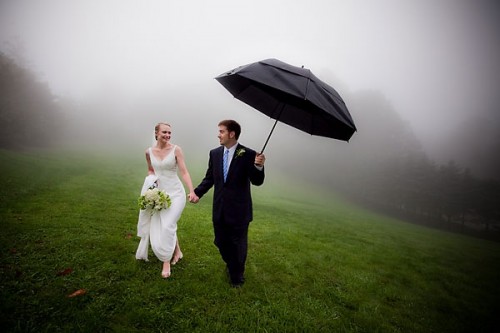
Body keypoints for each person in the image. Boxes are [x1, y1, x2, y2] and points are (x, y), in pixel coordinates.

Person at [190, 119, 265, 287]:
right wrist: (197, 193)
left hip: (240, 211)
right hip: (220, 209)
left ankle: (237, 278)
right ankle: (232, 264)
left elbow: (257, 181)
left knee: (238, 245)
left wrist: (259, 166)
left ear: (232, 134)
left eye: (221, 131)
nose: (218, 135)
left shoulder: (248, 154)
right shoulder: (214, 153)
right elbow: (210, 178)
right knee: (221, 242)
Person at [135, 122, 197, 278]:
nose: (168, 135)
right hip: (160, 194)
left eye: (170, 133)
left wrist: (192, 191)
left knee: (168, 224)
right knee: (166, 224)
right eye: (164, 132)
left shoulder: (176, 150)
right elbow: (151, 170)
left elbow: (184, 172)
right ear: (156, 133)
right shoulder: (148, 152)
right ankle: (177, 251)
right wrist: (151, 186)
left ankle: (166, 261)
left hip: (176, 194)